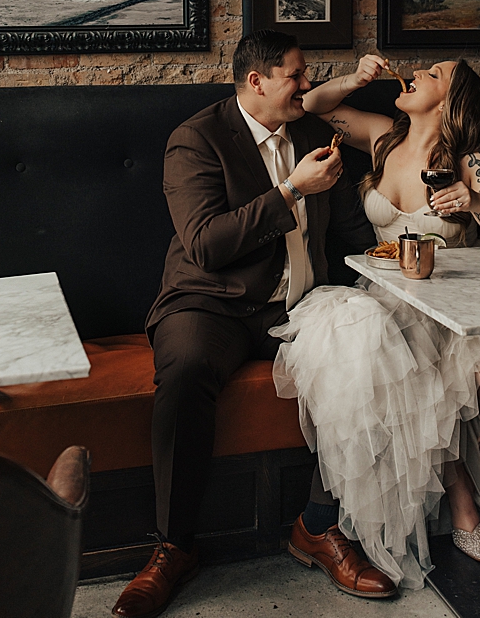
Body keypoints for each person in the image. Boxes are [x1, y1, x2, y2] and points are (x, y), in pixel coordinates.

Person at [271, 55, 480, 589]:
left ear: (449, 100)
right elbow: (308, 105)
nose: (417, 74)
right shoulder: (380, 137)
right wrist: (353, 80)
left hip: (457, 299)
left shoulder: (471, 160)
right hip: (388, 294)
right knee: (406, 368)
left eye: (434, 74)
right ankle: (461, 492)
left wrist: (474, 202)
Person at [112, 31, 395, 618]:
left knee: (369, 348)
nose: (307, 86)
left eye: (307, 74)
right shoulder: (196, 140)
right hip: (210, 303)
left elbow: (349, 230)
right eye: (296, 75)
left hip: (298, 303)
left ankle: (319, 525)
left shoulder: (319, 134)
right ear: (255, 81)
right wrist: (291, 190)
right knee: (186, 372)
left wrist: (394, 263)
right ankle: (174, 546)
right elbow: (206, 244)